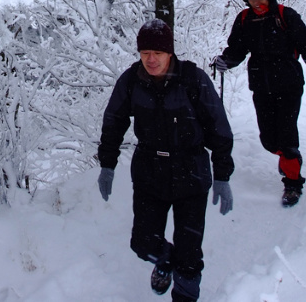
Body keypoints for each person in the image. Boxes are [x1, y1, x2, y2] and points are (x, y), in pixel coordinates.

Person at [97, 18, 234, 302]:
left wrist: (222, 175)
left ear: (169, 53)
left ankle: (184, 290)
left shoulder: (192, 79)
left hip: (191, 172)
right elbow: (113, 122)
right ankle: (165, 260)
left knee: (190, 251)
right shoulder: (131, 81)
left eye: (157, 53)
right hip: (150, 173)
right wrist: (107, 165)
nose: (150, 59)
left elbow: (218, 127)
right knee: (142, 243)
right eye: (145, 53)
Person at [211, 0, 306, 208]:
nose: (256, 2)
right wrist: (226, 61)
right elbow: (237, 49)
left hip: (289, 86)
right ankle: (288, 158)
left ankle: (292, 183)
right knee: (268, 140)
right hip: (261, 86)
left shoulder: (286, 16)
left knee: (287, 137)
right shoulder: (245, 19)